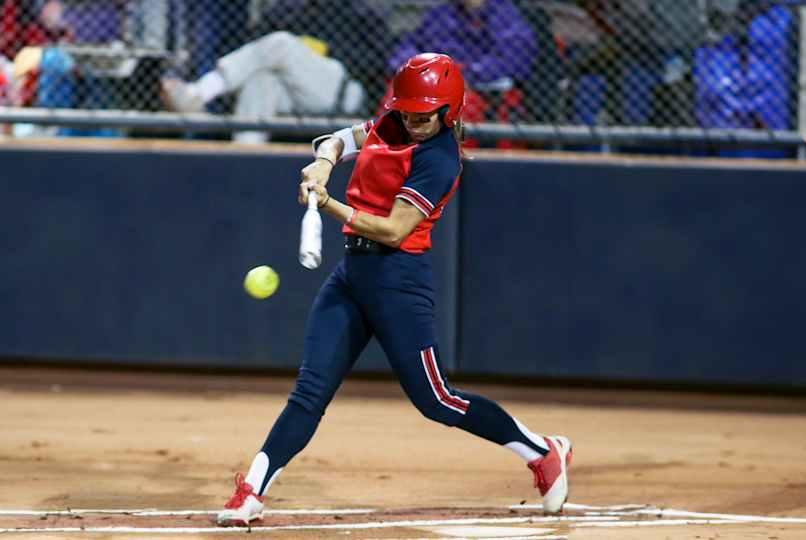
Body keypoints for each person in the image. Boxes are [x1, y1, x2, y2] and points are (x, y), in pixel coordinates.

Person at [215, 53, 572, 527]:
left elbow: (393, 230)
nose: (412, 121)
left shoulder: (440, 158)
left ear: (449, 112)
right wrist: (322, 163)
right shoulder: (397, 118)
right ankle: (252, 492)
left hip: (398, 280)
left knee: (436, 400)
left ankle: (542, 451)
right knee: (309, 393)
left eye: (423, 115)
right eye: (406, 111)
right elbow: (343, 139)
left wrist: (329, 204)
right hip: (352, 275)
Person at [161, 0, 392, 144]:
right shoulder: (288, 10)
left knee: (281, 43)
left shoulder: (360, 11)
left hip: (344, 91)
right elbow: (255, 46)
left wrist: (326, 50)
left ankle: (199, 92)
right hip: (293, 92)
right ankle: (246, 158)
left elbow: (376, 62)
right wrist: (297, 48)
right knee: (261, 80)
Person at [386, 0, 536, 134]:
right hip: (432, 80)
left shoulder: (504, 14)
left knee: (459, 106)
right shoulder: (441, 14)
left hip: (475, 88)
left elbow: (513, 59)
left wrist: (468, 74)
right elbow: (408, 48)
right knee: (397, 91)